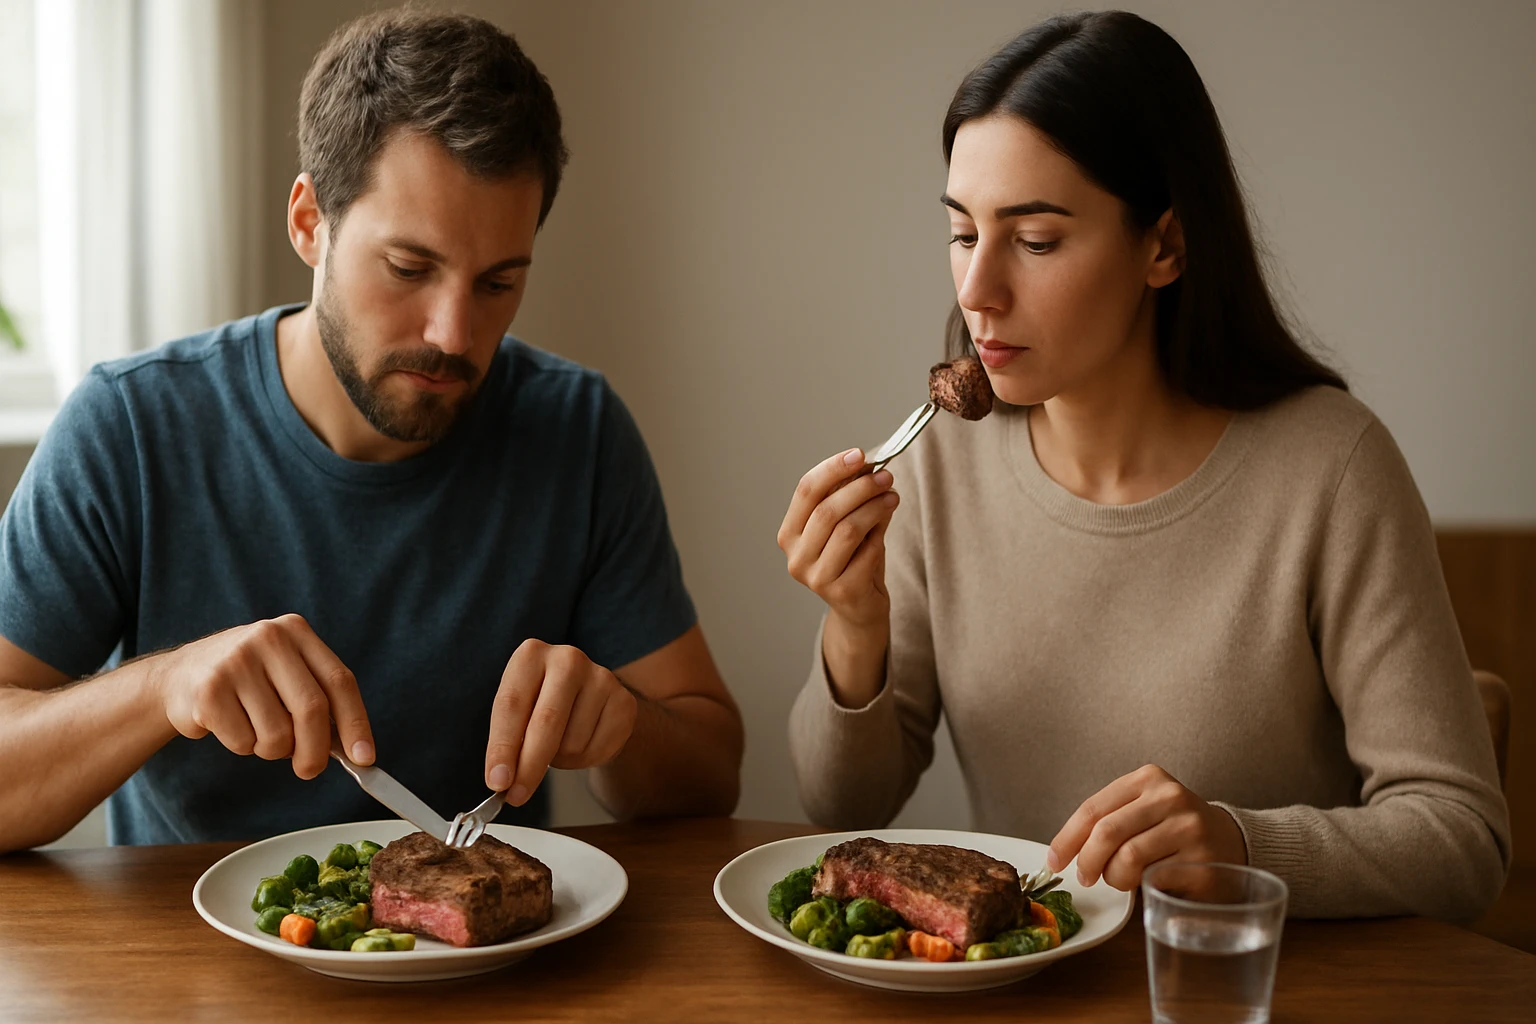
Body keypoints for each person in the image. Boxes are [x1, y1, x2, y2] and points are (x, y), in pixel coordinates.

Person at [779, 10, 1507, 922]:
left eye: (1034, 240)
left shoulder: (1333, 467)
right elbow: (841, 811)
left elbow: (1465, 838)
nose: (975, 290)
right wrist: (855, 623)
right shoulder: (942, 466)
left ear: (1164, 245)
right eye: (964, 233)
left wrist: (1238, 847)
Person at [0, 9, 743, 852]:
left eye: (498, 282)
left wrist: (624, 728)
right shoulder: (130, 428)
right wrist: (163, 688)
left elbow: (712, 775)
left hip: (489, 962)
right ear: (310, 223)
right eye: (408, 269)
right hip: (189, 969)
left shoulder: (576, 430)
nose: (454, 334)